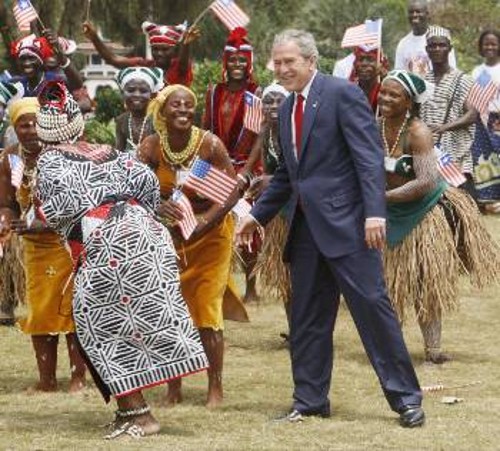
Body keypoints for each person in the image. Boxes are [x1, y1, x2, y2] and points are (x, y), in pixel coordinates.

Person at [236, 29, 424, 428]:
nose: (283, 69)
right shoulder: (286, 109)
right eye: (278, 62)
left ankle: (406, 399)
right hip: (305, 233)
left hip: (351, 228)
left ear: (310, 61)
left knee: (373, 311)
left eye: (290, 61)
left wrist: (375, 213)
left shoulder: (342, 94)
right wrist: (256, 215)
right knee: (305, 319)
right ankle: (309, 400)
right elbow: (288, 176)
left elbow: (368, 159)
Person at [33, 81, 208, 438]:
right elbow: (144, 182)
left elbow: (59, 210)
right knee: (134, 320)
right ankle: (133, 411)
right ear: (78, 125)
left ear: (42, 130)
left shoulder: (49, 162)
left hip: (107, 245)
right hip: (147, 237)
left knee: (97, 326)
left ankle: (140, 415)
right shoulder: (108, 150)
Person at [379, 70, 500, 364]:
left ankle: (433, 351)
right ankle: (389, 350)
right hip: (389, 213)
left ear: (408, 101)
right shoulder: (376, 126)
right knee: (387, 286)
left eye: (393, 95)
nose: (385, 98)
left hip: (422, 213)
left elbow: (425, 182)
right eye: (383, 92)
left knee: (425, 283)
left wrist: (381, 198)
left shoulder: (418, 132)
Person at [139, 84, 247, 408]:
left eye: (189, 105)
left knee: (206, 308)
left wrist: (204, 223)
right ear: (162, 111)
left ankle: (215, 387)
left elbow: (231, 192)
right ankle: (174, 388)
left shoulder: (209, 145)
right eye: (176, 105)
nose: (184, 110)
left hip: (212, 235)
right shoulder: (151, 148)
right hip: (170, 237)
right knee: (174, 312)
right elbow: (132, 188)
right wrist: (156, 205)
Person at [0, 97, 86, 392]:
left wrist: (43, 222)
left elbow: (79, 203)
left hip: (67, 243)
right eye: (24, 124)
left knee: (73, 310)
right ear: (15, 128)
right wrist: (7, 219)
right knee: (40, 311)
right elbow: (7, 203)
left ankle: (78, 378)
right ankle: (46, 380)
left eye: (36, 123)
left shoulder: (64, 155)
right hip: (34, 250)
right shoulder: (11, 157)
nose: (31, 129)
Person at [202, 27, 261, 303]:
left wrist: (247, 172)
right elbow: (204, 129)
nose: (237, 65)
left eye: (242, 61)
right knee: (205, 216)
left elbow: (259, 136)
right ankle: (216, 283)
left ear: (249, 64)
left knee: (247, 219)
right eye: (232, 60)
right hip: (212, 163)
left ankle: (251, 287)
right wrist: (198, 168)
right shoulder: (213, 91)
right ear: (225, 63)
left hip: (243, 165)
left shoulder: (254, 93)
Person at [246, 83, 292, 335]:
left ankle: (306, 330)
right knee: (285, 274)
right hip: (280, 211)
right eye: (268, 101)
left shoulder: (296, 130)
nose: (273, 106)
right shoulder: (266, 132)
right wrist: (258, 184)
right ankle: (294, 329)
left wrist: (270, 182)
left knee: (300, 274)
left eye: (279, 101)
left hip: (302, 210)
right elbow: (266, 170)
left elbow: (304, 171)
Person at [420, 26, 477, 197]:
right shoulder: (422, 81)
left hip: (455, 157)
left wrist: (445, 127)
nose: (437, 49)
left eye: (442, 45)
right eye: (433, 46)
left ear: (449, 49)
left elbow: (472, 114)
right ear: (427, 50)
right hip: (428, 154)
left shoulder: (463, 79)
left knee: (459, 208)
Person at [82, 20, 198, 87]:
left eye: (165, 49)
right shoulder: (145, 65)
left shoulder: (179, 68)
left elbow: (183, 63)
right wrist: (94, 38)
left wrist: (186, 45)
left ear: (174, 51)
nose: (159, 53)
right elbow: (113, 59)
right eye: (155, 49)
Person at [470, 30, 500, 213]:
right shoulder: (476, 71)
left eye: (494, 44)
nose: (489, 47)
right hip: (481, 123)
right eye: (486, 44)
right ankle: (489, 199)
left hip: (498, 120)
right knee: (486, 160)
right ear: (481, 47)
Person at [394, 0, 456, 76]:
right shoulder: (403, 44)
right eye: (411, 12)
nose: (414, 15)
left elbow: (452, 69)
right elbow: (398, 74)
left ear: (427, 14)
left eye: (418, 11)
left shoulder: (440, 38)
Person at [114, 66, 163, 154]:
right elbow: (119, 153)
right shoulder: (121, 120)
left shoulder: (158, 119)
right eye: (131, 90)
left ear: (152, 95)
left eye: (143, 91)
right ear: (123, 93)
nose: (137, 94)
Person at [350, 44, 389, 113]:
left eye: (370, 59)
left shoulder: (387, 91)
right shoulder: (349, 89)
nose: (364, 64)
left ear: (381, 64)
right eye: (361, 59)